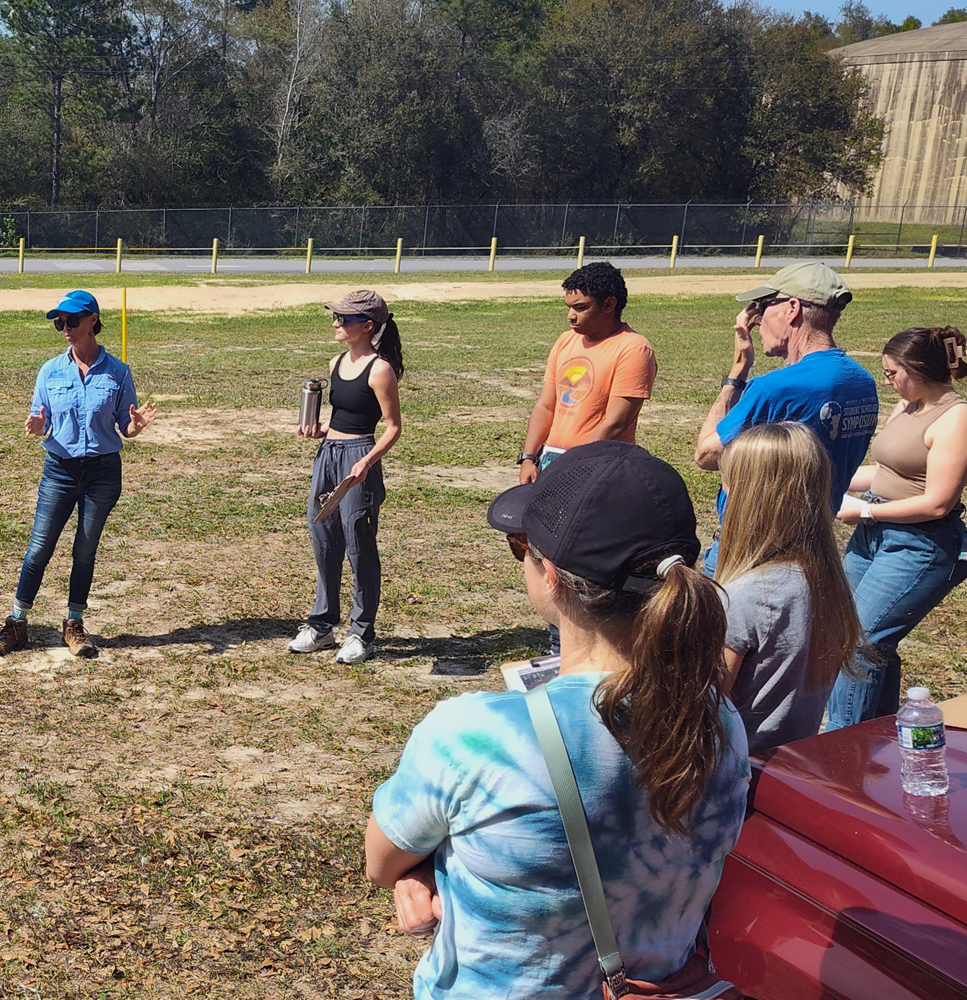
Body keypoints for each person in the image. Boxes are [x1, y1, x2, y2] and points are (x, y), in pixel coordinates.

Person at [369, 441, 748, 999]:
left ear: (550, 575)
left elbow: (382, 859)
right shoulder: (719, 724)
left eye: (519, 546)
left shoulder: (472, 736)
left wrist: (427, 869)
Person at [827, 326, 967, 730]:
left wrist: (865, 513)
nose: (888, 382)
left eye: (891, 373)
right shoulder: (909, 406)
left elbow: (937, 502)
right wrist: (829, 483)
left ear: (916, 368)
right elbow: (885, 470)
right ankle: (875, 736)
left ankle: (844, 746)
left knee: (860, 644)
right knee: (851, 633)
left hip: (919, 545)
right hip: (874, 535)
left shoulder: (957, 419)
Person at [0, 291, 157, 658]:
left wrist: (134, 427)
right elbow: (42, 420)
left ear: (93, 320)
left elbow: (123, 426)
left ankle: (74, 625)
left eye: (71, 320)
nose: (64, 328)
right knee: (38, 549)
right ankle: (17, 623)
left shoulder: (118, 372)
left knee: (84, 551)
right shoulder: (49, 371)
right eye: (58, 322)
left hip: (102, 473)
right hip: (59, 471)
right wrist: (37, 428)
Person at [694, 261, 877, 575]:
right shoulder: (862, 382)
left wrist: (739, 367)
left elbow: (707, 455)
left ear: (792, 309)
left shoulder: (775, 389)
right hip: (813, 547)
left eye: (763, 306)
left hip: (749, 549)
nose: (757, 319)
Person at [715, 422, 865, 755]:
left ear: (748, 498)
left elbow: (704, 710)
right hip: (794, 763)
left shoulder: (744, 597)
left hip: (740, 776)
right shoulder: (824, 582)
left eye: (727, 483)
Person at [289, 289, 405, 665]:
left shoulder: (380, 369)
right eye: (335, 317)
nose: (336, 323)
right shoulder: (335, 361)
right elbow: (341, 417)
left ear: (367, 326)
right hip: (328, 456)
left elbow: (392, 427)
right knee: (323, 538)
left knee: (359, 547)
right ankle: (321, 627)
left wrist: (367, 461)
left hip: (358, 460)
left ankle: (361, 633)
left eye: (344, 318)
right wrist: (320, 430)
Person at [517, 262, 655, 481]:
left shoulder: (634, 349)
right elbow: (546, 405)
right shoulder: (565, 341)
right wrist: (528, 458)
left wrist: (574, 465)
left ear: (609, 305)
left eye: (581, 307)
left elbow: (616, 423)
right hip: (553, 461)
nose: (571, 316)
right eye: (569, 307)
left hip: (599, 466)